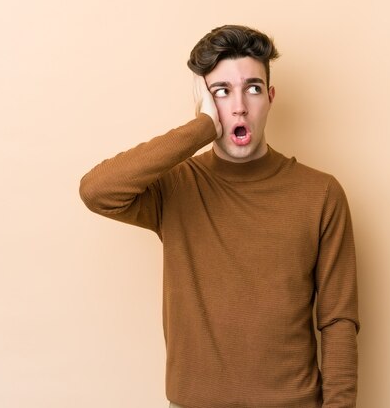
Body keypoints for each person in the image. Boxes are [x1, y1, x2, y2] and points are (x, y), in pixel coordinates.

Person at [79, 24, 359, 408]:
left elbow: (338, 320)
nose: (239, 105)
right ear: (205, 104)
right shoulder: (175, 187)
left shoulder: (321, 194)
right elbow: (97, 191)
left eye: (253, 88)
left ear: (270, 98)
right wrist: (201, 128)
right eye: (221, 92)